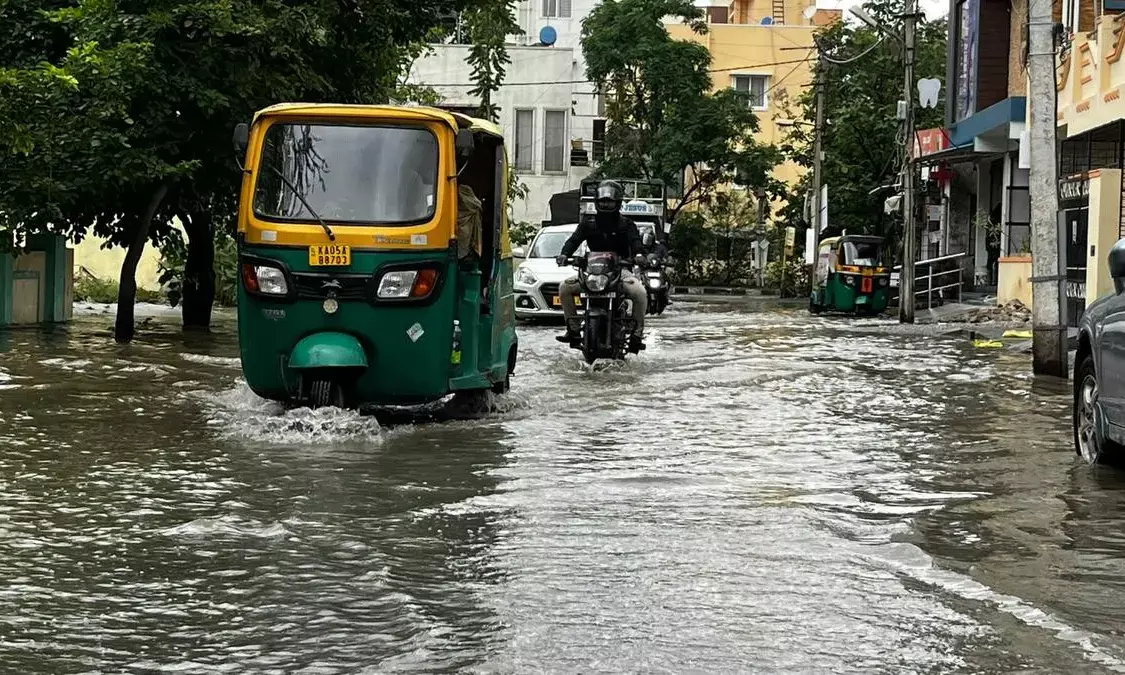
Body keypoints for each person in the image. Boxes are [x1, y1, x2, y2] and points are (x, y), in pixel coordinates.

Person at [555, 180, 648, 349]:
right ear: (596, 202)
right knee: (564, 288)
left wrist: (639, 255)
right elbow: (573, 240)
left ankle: (636, 335)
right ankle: (573, 330)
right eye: (603, 201)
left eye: (610, 201)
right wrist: (564, 254)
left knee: (640, 293)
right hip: (592, 273)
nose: (606, 204)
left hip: (620, 273)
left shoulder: (627, 225)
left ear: (618, 203)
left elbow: (636, 243)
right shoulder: (588, 223)